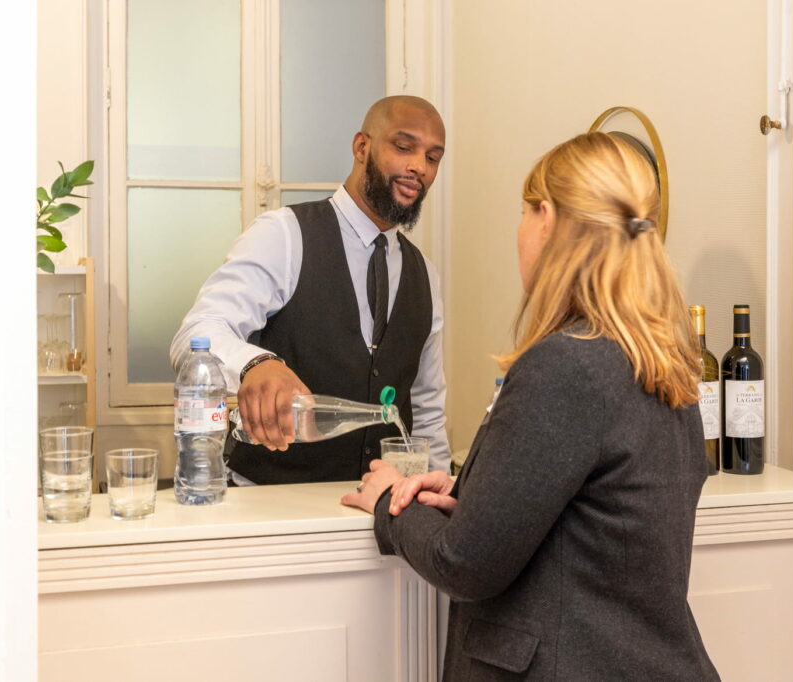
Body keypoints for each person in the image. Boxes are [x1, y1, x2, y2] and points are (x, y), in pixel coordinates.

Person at [342, 132, 721, 680]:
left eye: (524, 212)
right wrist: (473, 498)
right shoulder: (663, 359)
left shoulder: (566, 365)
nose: (519, 231)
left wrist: (387, 504)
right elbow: (597, 520)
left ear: (547, 219)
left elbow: (464, 565)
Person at [171, 95, 450, 485]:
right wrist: (255, 364)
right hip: (268, 500)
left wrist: (441, 493)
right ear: (361, 147)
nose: (419, 166)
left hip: (378, 508)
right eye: (404, 147)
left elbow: (426, 408)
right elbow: (196, 334)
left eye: (432, 158)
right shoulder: (284, 235)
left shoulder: (425, 274)